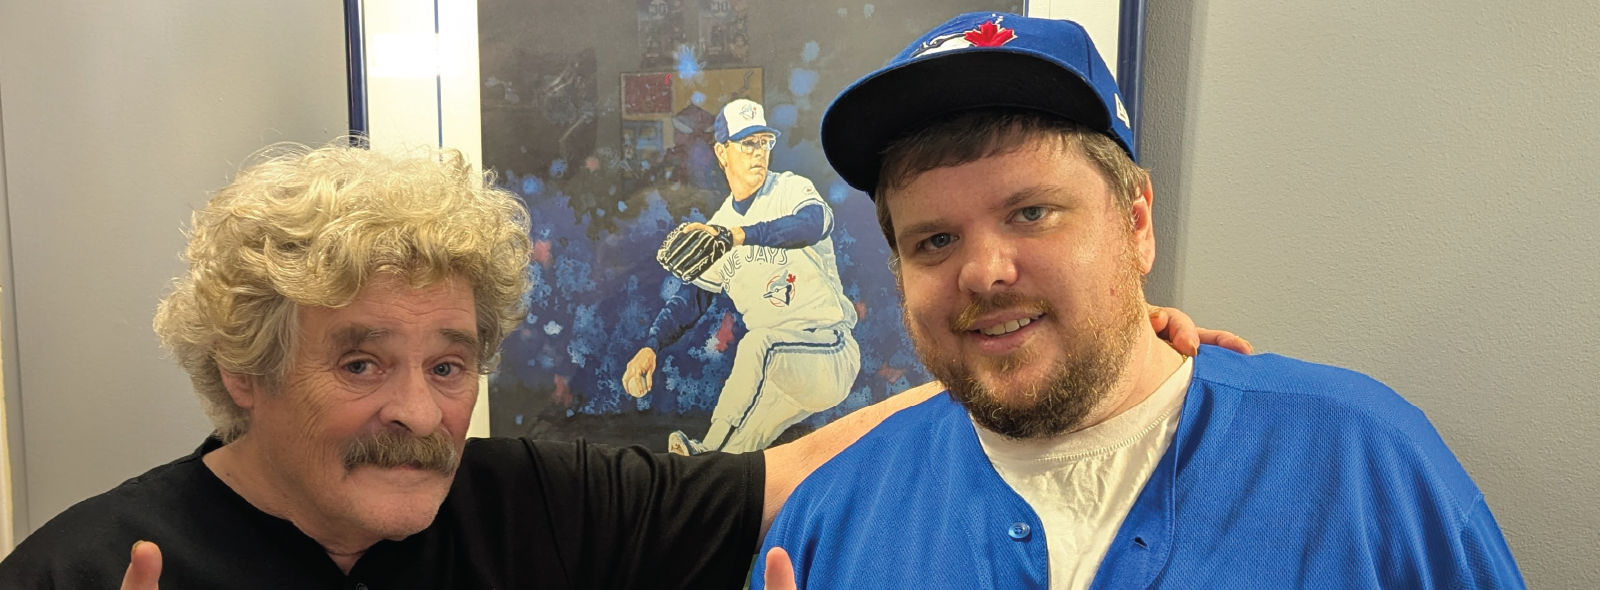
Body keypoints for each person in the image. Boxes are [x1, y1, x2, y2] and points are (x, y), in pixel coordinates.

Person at [0, 140, 1233, 590]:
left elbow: (796, 469)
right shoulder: (85, 569)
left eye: (449, 363)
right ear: (247, 371)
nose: (418, 412)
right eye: (361, 361)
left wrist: (1070, 348)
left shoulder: (524, 501)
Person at [754, 12, 1525, 590]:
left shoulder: (1363, 467)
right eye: (935, 240)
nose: (984, 273)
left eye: (1031, 213)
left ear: (1136, 223)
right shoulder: (827, 527)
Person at [622, 98, 861, 456]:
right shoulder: (719, 226)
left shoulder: (789, 189)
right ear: (722, 153)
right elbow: (691, 299)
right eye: (748, 143)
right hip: (779, 372)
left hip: (828, 350)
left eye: (764, 141)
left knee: (758, 345)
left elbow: (814, 223)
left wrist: (738, 236)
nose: (759, 151)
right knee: (735, 457)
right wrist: (651, 345)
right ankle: (706, 469)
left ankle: (704, 454)